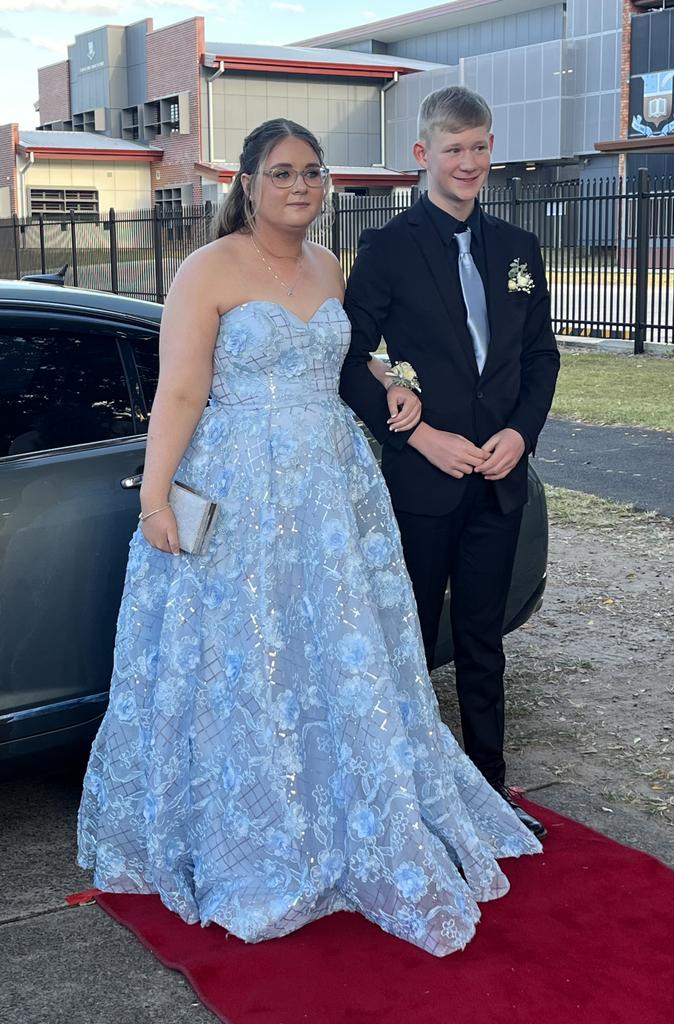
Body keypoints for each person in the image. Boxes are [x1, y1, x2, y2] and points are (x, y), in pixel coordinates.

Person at [77, 118, 541, 959]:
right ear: (247, 182)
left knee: (333, 648)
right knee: (248, 654)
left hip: (329, 486)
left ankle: (345, 807)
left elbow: (342, 356)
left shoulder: (329, 266)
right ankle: (257, 825)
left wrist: (389, 383)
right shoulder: (206, 270)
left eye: (313, 173)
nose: (301, 186)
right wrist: (155, 499)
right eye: (283, 172)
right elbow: (180, 392)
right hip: (241, 483)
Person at [340, 87, 560, 840]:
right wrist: (417, 434)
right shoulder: (388, 248)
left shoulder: (520, 250)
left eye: (480, 147)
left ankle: (491, 788)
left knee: (481, 640)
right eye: (453, 148)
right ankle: (408, 793)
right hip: (423, 482)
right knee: (405, 640)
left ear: (492, 149)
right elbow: (349, 358)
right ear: (422, 155)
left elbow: (539, 358)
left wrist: (521, 435)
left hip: (498, 482)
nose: (468, 162)